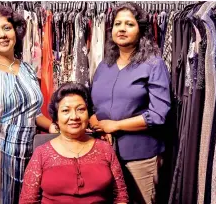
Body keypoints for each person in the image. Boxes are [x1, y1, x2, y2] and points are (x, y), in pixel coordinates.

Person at [0, 5, 57, 204]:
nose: (2, 35)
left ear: (16, 31)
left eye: (7, 28)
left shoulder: (27, 69)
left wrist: (50, 126)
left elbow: (30, 112)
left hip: (32, 159)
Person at [90, 3, 171, 204]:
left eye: (129, 24)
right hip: (103, 153)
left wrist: (116, 125)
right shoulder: (104, 65)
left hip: (140, 155)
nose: (122, 29)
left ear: (141, 30)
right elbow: (93, 106)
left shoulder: (153, 64)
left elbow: (159, 114)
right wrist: (95, 121)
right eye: (118, 24)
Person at [19, 82, 129, 204]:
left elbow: (121, 196)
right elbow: (28, 200)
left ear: (89, 114)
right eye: (66, 110)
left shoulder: (105, 149)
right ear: (56, 118)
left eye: (80, 109)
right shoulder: (41, 153)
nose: (74, 116)